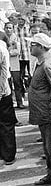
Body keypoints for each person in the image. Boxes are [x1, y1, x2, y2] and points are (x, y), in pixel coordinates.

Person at [29, 33, 51, 186]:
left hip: (47, 115)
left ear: (41, 47)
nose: (30, 47)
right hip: (41, 114)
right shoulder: (40, 63)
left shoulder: (47, 65)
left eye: (33, 44)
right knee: (47, 148)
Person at [0, 38, 17, 166]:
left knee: (6, 123)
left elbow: (4, 71)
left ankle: (8, 155)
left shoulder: (1, 47)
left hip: (3, 92)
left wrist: (1, 91)